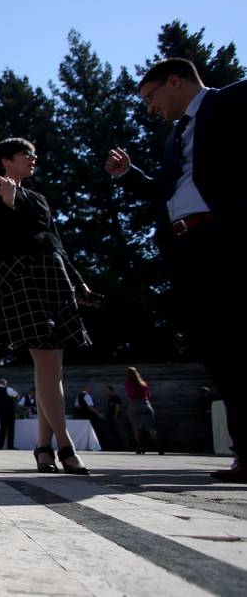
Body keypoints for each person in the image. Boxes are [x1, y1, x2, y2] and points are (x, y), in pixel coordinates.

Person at [104, 58, 246, 482]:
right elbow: (164, 191)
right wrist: (129, 174)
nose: (149, 108)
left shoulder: (233, 101)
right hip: (188, 248)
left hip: (229, 240)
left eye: (150, 97)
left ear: (176, 81)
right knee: (219, 350)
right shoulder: (174, 139)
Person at [0, 137, 93, 474]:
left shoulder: (38, 198)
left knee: (52, 368)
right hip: (20, 276)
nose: (33, 158)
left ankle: (43, 448)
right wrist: (9, 204)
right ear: (5, 161)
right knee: (45, 359)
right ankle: (65, 446)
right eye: (26, 153)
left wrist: (78, 279)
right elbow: (1, 240)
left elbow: (54, 239)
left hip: (53, 274)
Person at [124, 367, 164, 455]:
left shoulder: (129, 383)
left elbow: (130, 395)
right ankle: (159, 445)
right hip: (146, 404)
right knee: (150, 428)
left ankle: (141, 447)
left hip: (134, 405)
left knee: (136, 428)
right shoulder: (143, 383)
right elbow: (149, 395)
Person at [0, 379, 18, 450]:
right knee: (10, 429)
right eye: (6, 383)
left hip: (1, 412)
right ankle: (10, 446)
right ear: (4, 383)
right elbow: (17, 396)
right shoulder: (9, 389)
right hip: (10, 412)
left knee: (2, 429)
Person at [106, 385, 128, 451]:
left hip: (117, 418)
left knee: (121, 432)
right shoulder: (110, 398)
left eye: (107, 390)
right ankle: (117, 446)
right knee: (114, 432)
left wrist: (115, 416)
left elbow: (117, 407)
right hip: (112, 418)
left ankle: (126, 447)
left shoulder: (115, 398)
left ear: (111, 390)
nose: (106, 392)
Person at [198, 386, 214, 453]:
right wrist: (206, 411)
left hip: (214, 416)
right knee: (208, 432)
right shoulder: (201, 400)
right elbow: (200, 408)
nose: (206, 394)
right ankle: (209, 446)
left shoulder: (213, 397)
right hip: (207, 417)